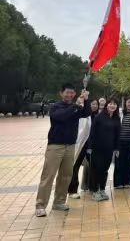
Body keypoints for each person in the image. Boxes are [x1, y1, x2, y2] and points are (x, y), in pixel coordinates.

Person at [35, 83, 90, 217]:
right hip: (55, 146)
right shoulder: (55, 107)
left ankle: (59, 202)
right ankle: (40, 205)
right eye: (67, 92)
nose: (69, 95)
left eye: (72, 93)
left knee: (65, 176)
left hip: (70, 146)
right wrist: (76, 105)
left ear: (75, 94)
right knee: (48, 176)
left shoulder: (75, 108)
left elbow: (87, 113)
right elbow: (63, 116)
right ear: (61, 93)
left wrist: (86, 100)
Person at [88, 99, 121, 201]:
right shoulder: (99, 117)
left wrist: (116, 148)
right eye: (110, 103)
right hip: (97, 148)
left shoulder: (116, 118)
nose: (112, 105)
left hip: (109, 149)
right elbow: (92, 132)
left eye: (114, 104)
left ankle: (102, 189)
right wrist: (90, 147)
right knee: (96, 169)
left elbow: (117, 135)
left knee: (105, 169)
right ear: (107, 105)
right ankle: (94, 190)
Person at [68, 98, 99, 199]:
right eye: (92, 104)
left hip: (92, 146)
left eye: (96, 104)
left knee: (94, 166)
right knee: (75, 166)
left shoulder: (98, 116)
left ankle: (93, 187)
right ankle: (72, 190)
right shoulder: (83, 116)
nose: (94, 106)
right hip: (81, 144)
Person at [113, 97, 130, 189]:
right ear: (125, 103)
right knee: (119, 162)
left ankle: (127, 182)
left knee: (129, 162)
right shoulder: (120, 113)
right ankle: (118, 182)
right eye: (128, 102)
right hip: (120, 142)